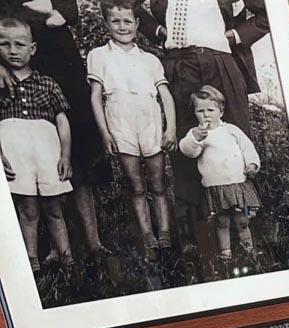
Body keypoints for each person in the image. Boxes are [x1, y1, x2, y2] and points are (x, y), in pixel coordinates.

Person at [136, 0, 267, 268]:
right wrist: (159, 31)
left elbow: (270, 12)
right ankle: (199, 248)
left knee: (235, 145)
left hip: (221, 62)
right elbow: (129, 6)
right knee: (188, 148)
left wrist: (236, 35)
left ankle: (250, 246)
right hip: (179, 64)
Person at [0, 0, 112, 260]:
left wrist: (50, 12)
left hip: (62, 62)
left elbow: (68, 13)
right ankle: (52, 246)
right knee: (37, 151)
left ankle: (93, 243)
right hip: (19, 61)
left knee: (80, 153)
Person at [87, 0, 176, 263]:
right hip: (120, 120)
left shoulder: (149, 59)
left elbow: (165, 95)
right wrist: (105, 133)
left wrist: (171, 129)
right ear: (106, 23)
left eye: (128, 21)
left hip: (148, 119)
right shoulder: (99, 55)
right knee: (135, 184)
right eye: (116, 21)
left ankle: (165, 233)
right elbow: (95, 97)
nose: (122, 26)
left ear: (137, 24)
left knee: (158, 183)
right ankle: (147, 234)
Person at [0, 14, 73, 274]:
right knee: (27, 208)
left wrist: (65, 155)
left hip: (46, 152)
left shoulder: (47, 83)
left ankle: (67, 258)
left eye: (19, 45)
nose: (12, 51)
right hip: (15, 152)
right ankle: (31, 261)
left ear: (32, 49)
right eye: (4, 44)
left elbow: (62, 121)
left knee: (54, 207)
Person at [179, 84, 259, 271]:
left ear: (220, 111)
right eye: (200, 110)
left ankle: (249, 250)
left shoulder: (231, 130)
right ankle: (226, 254)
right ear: (195, 113)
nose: (206, 115)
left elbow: (247, 148)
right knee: (221, 221)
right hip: (216, 188)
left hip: (239, 184)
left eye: (211, 110)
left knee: (243, 219)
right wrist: (195, 138)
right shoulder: (198, 134)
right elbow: (188, 151)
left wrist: (252, 164)